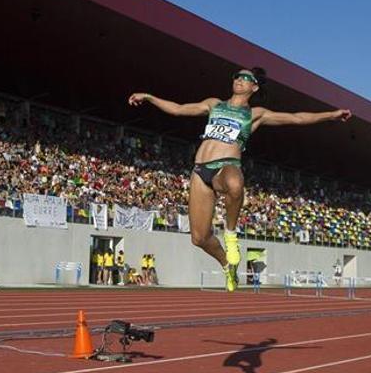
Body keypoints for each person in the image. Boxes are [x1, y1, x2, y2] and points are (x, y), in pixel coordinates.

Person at [129, 67, 351, 291]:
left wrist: (331, 115)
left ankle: (231, 235)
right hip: (200, 171)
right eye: (237, 76)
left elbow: (297, 118)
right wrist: (149, 97)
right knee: (199, 238)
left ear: (254, 87)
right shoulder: (214, 104)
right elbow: (178, 109)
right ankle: (227, 266)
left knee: (235, 184)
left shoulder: (255, 114)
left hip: (226, 165)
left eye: (246, 78)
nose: (240, 80)